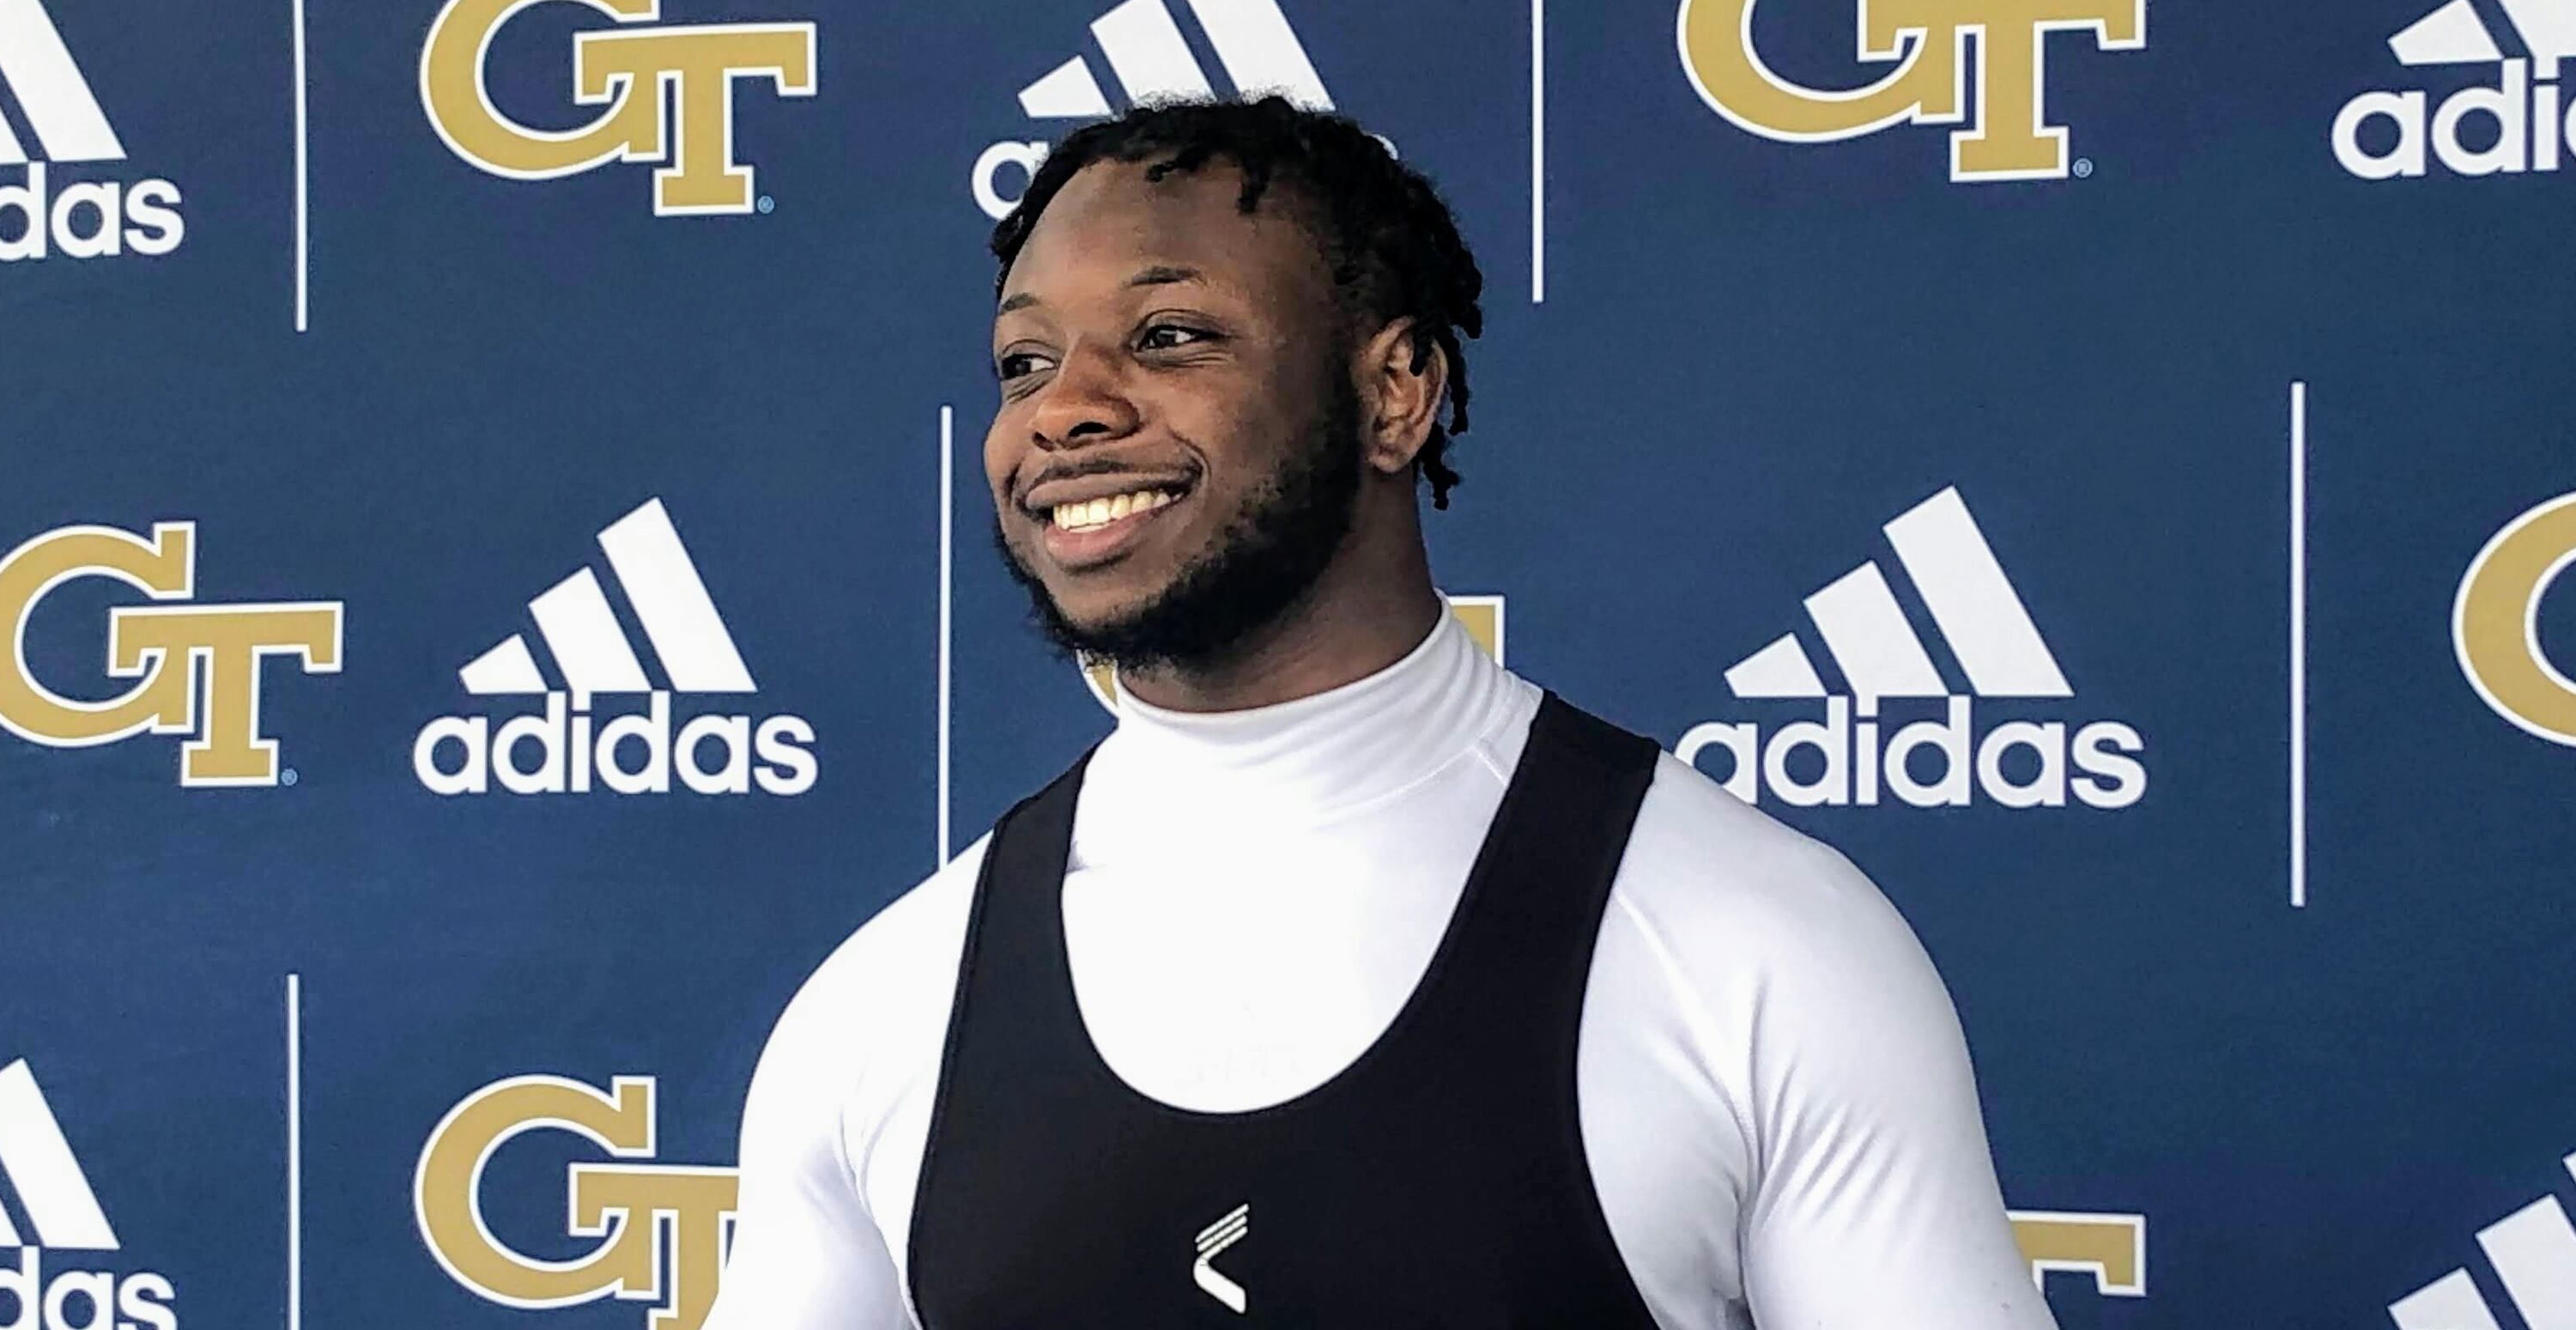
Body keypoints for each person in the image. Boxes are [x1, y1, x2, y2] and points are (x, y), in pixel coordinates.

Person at [712, 98, 2057, 1329]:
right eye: (1020, 362)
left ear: (1395, 390)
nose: (1063, 410)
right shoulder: (885, 1007)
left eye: (1168, 336)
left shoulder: (1751, 946)